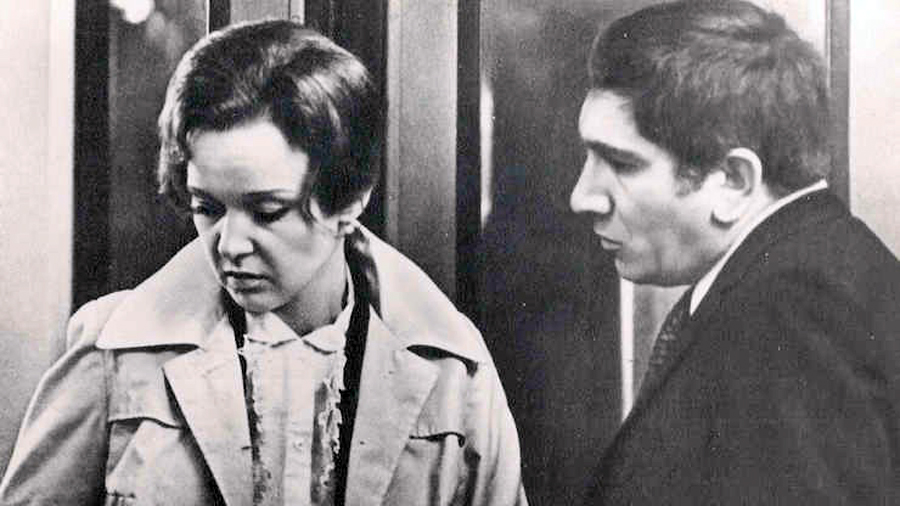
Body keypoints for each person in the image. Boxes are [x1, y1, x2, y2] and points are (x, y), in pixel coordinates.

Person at [0, 20, 526, 506]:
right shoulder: (111, 353)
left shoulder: (456, 370)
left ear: (349, 199)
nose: (230, 245)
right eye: (207, 207)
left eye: (267, 212)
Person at [569, 1, 900, 504]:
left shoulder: (789, 314)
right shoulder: (807, 273)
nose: (583, 196)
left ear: (734, 181)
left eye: (621, 163)